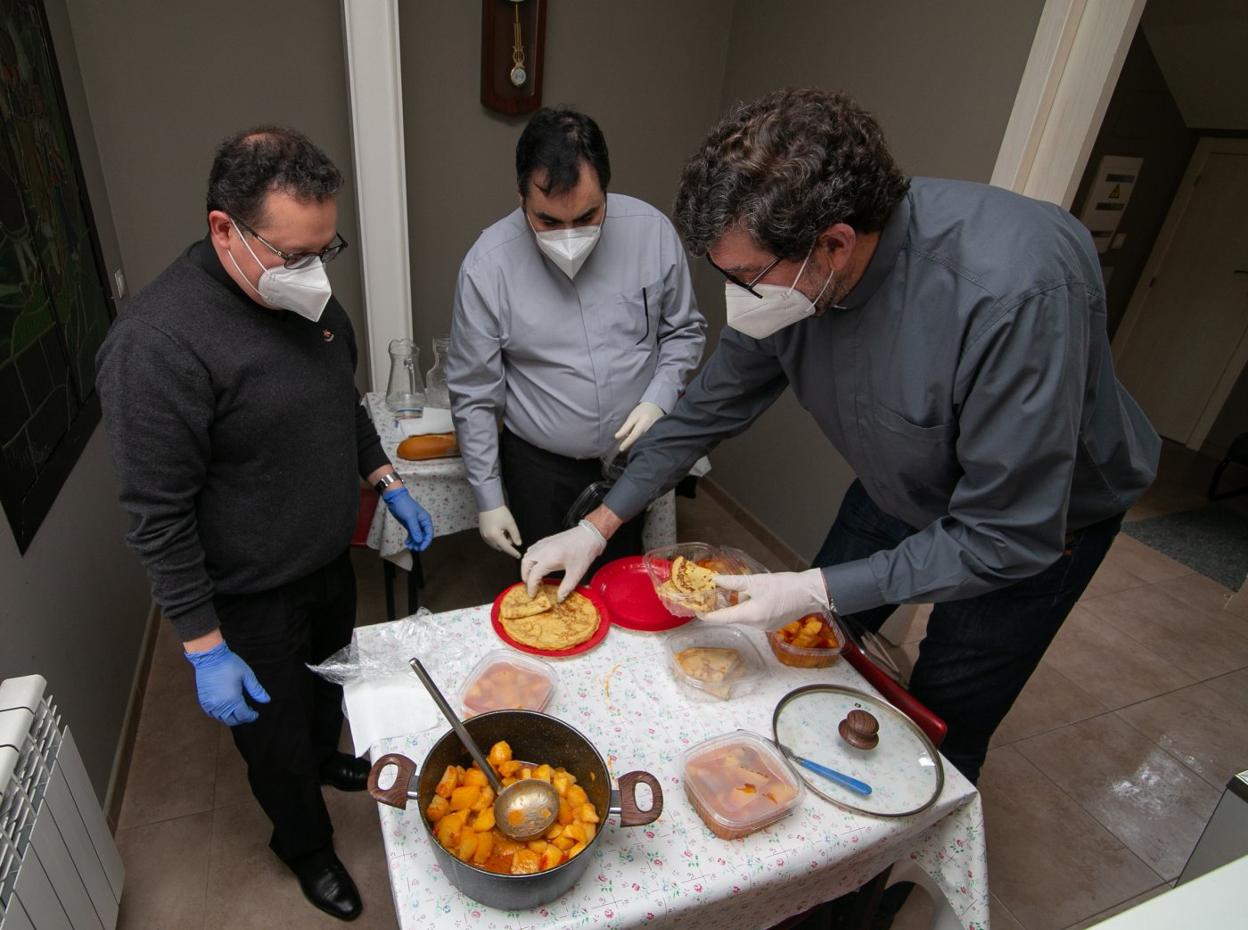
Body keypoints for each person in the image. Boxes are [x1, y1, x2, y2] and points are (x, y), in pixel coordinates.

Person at [521, 89, 1160, 784]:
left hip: (1036, 528)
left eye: (743, 276)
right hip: (898, 481)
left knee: (938, 718)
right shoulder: (792, 282)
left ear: (833, 245)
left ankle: (875, 879)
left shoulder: (1016, 292)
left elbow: (1005, 533)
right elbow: (705, 411)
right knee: (810, 653)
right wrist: (600, 521)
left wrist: (816, 584)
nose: (735, 294)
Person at [97, 127, 433, 922]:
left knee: (326, 691)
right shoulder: (156, 345)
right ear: (225, 230)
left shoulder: (308, 299)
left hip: (324, 562)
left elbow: (340, 404)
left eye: (327, 247)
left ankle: (327, 756)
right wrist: (204, 647)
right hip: (247, 595)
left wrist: (384, 479)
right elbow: (157, 516)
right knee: (273, 741)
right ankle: (306, 846)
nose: (314, 271)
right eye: (293, 254)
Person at [448, 107, 705, 571]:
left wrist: (659, 398)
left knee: (622, 578)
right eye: (547, 221)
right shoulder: (487, 267)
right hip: (541, 467)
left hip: (632, 459)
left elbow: (684, 331)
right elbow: (474, 393)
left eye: (588, 215)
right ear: (521, 196)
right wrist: (488, 496)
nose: (569, 236)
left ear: (606, 190)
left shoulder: (652, 233)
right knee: (548, 604)